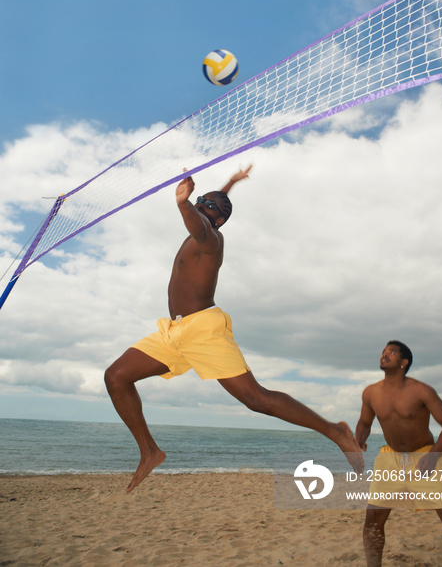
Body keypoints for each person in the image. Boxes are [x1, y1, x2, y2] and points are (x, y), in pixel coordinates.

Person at [105, 166, 363, 493]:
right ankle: (150, 452)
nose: (201, 205)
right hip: (173, 332)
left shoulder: (211, 240)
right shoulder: (203, 222)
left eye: (207, 205)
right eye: (199, 200)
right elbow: (212, 206)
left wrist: (184, 203)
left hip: (204, 330)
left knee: (257, 400)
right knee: (116, 376)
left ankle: (336, 432)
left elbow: (201, 224)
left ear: (220, 220)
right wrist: (229, 185)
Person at [356, 341, 442, 566]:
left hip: (425, 455)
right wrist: (359, 441)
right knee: (373, 519)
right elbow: (364, 422)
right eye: (383, 352)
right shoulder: (371, 392)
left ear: (404, 362)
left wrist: (433, 456)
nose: (385, 354)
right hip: (389, 459)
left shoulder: (421, 390)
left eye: (392, 352)